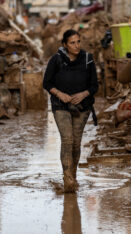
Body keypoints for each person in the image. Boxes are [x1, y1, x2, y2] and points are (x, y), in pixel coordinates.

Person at [43, 29, 98, 193]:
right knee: (67, 140)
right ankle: (67, 180)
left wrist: (83, 94)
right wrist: (61, 94)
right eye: (72, 43)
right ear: (65, 45)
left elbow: (95, 85)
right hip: (61, 106)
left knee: (75, 142)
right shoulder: (57, 60)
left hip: (83, 107)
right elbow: (47, 83)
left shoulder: (88, 59)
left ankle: (73, 177)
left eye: (78, 42)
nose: (76, 46)